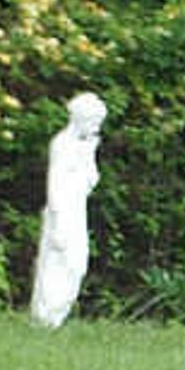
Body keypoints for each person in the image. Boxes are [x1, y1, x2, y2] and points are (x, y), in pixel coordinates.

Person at [30, 93, 105, 329]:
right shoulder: (62, 144)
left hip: (76, 210)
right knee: (57, 261)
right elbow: (55, 185)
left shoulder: (84, 145)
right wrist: (59, 223)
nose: (96, 128)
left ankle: (57, 316)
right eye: (93, 122)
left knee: (77, 263)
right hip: (62, 212)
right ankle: (46, 318)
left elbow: (92, 181)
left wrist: (89, 154)